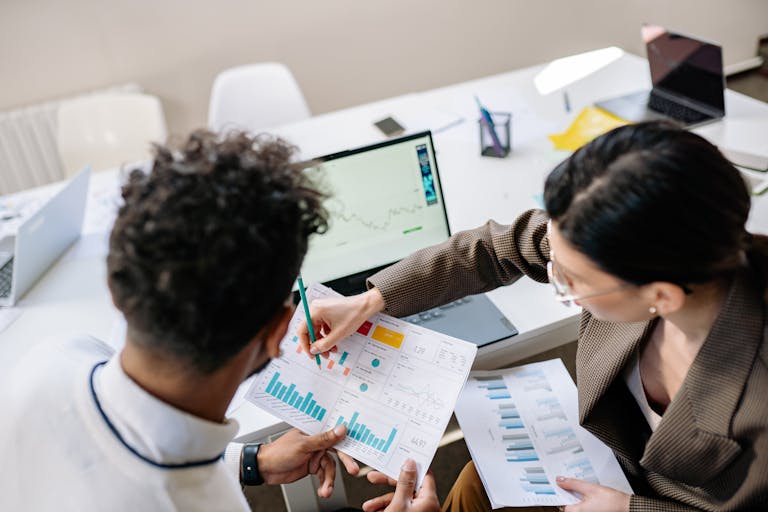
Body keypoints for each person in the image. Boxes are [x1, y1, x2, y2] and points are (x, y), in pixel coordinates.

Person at [298, 121, 768, 511]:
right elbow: (490, 249)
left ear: (661, 296)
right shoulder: (615, 242)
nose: (553, 272)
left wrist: (630, 510)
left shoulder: (758, 397)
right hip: (602, 463)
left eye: (570, 280)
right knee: (473, 483)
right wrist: (368, 302)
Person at [0, 130, 364, 511]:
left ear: (115, 287)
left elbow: (132, 444)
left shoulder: (52, 359)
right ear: (278, 332)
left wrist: (250, 462)